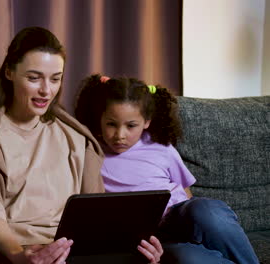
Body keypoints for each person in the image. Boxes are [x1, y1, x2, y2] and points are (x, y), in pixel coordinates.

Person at [0, 27, 163, 264]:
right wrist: (19, 255)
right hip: (20, 249)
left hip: (77, 250)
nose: (46, 90)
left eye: (55, 79)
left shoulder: (74, 135)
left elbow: (96, 214)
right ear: (9, 72)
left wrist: (137, 252)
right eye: (34, 78)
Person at [73, 74, 260, 264]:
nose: (120, 135)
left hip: (179, 218)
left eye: (131, 126)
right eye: (111, 124)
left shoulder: (161, 147)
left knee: (206, 210)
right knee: (188, 258)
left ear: (146, 122)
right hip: (152, 238)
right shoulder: (92, 153)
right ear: (100, 119)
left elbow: (186, 193)